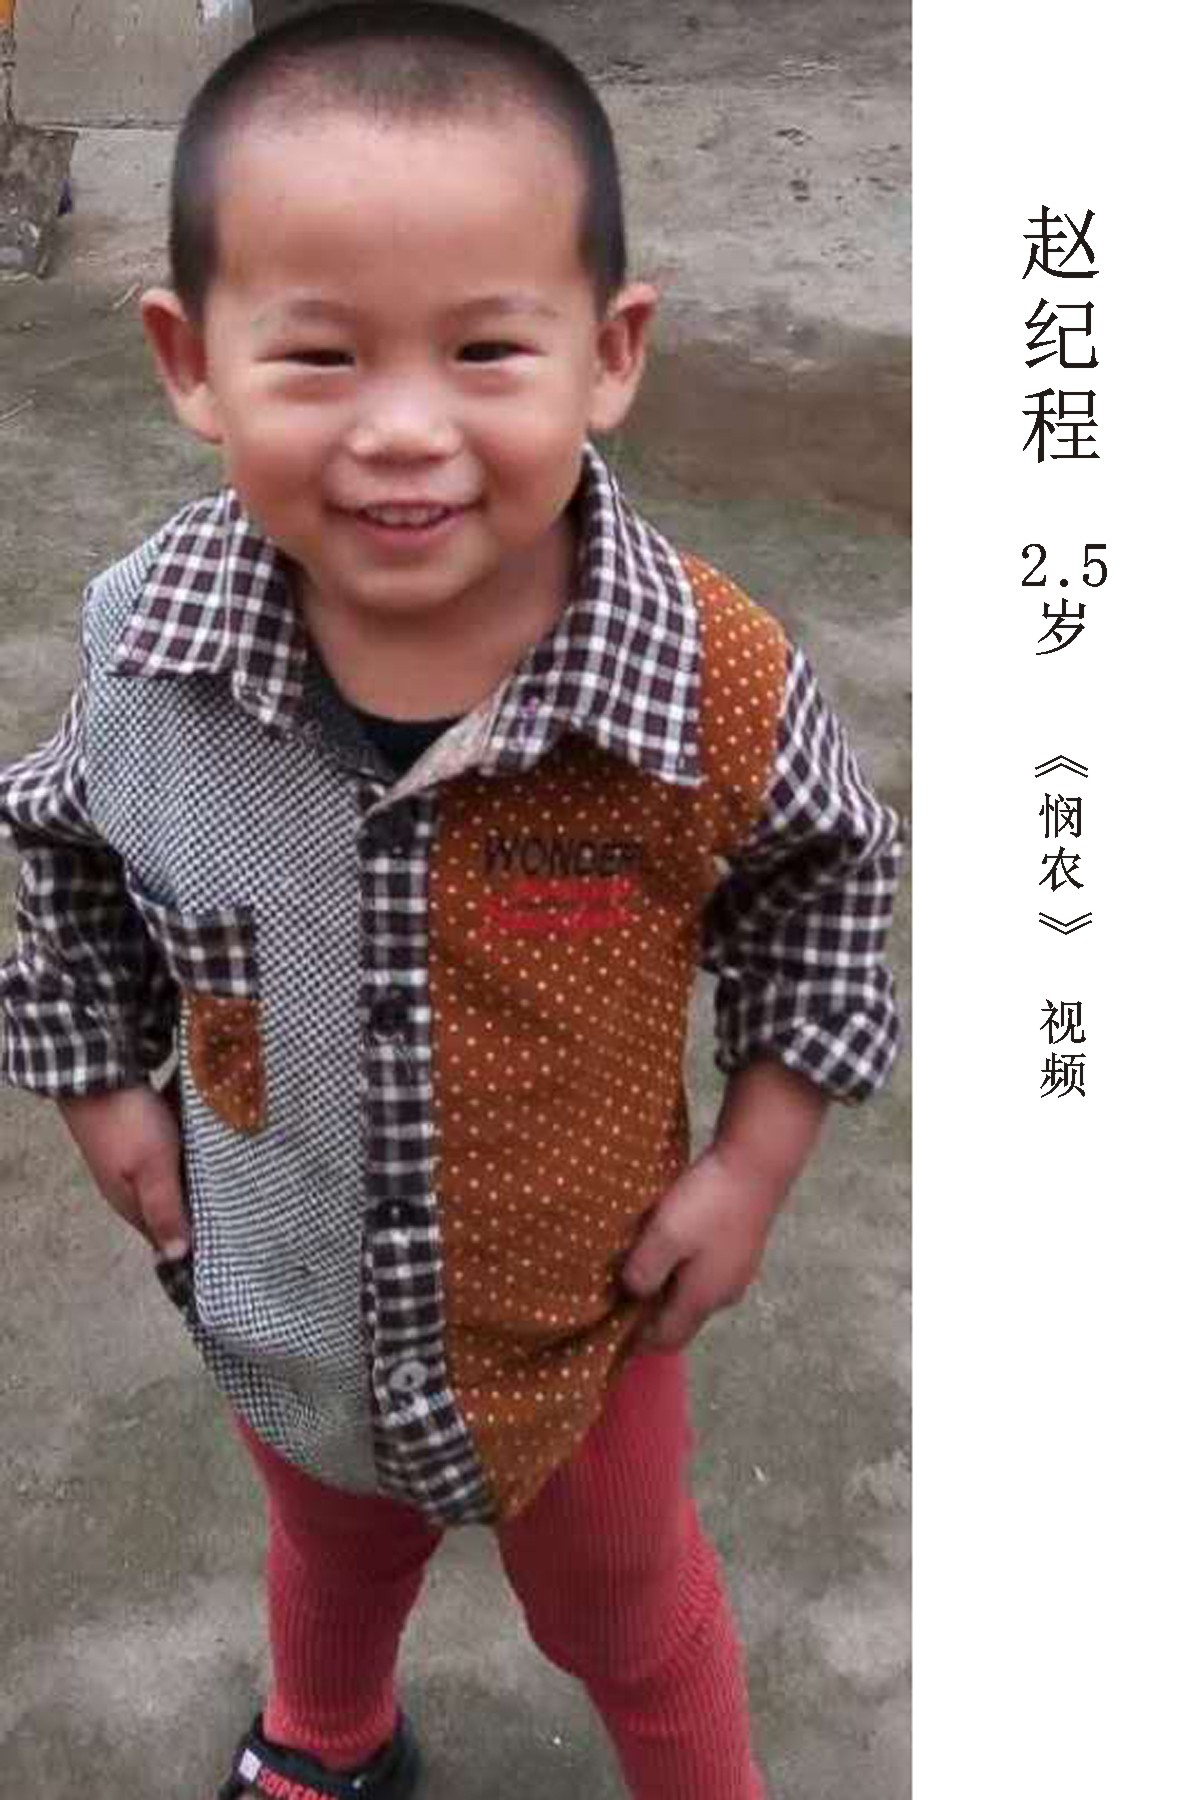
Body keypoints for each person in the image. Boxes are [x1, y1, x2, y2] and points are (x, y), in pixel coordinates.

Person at [0, 6, 903, 1797]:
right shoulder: (149, 651)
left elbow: (824, 882)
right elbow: (69, 854)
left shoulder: (703, 677)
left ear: (610, 352)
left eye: (488, 349)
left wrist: (754, 1162)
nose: (405, 430)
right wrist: (101, 1082)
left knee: (627, 1612)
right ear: (191, 361)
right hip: (281, 1297)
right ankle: (328, 1737)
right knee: (329, 1554)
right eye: (319, 356)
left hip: (581, 1334)